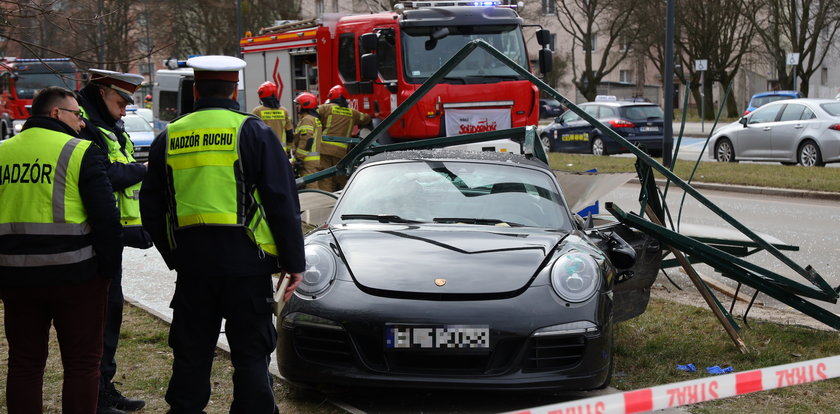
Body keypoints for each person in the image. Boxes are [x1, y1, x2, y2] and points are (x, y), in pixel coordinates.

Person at [139, 55, 305, 413]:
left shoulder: (169, 134)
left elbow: (151, 208)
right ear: (236, 90)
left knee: (191, 351)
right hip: (248, 266)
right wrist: (294, 262)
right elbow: (282, 201)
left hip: (193, 268)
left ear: (196, 89)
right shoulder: (252, 131)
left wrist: (175, 255)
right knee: (250, 354)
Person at [0, 86, 123, 413]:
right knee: (82, 364)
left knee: (24, 363)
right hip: (77, 276)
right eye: (77, 115)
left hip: (15, 277)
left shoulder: (2, 153)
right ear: (56, 114)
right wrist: (107, 273)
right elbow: (107, 220)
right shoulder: (81, 151)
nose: (82, 123)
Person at [76, 68, 149, 414]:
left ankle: (105, 386)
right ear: (102, 92)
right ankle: (97, 395)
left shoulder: (106, 127)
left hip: (113, 237)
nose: (123, 111)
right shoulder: (87, 128)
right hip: (93, 239)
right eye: (120, 102)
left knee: (111, 313)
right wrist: (142, 170)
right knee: (102, 317)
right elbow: (107, 174)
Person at [316, 84, 371, 191]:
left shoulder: (326, 108)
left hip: (324, 149)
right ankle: (344, 198)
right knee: (341, 177)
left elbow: (312, 113)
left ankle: (326, 202)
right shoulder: (352, 113)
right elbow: (366, 118)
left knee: (326, 177)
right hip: (341, 152)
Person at [251, 81, 294, 156]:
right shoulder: (284, 111)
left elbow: (251, 133)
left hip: (264, 151)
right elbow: (289, 133)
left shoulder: (257, 111)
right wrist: (288, 150)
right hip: (281, 151)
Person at [291, 91, 322, 189]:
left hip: (307, 160)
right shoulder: (313, 119)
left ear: (306, 105)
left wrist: (299, 158)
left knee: (311, 187)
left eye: (298, 105)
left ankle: (314, 204)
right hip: (312, 160)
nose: (297, 107)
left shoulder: (307, 120)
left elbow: (306, 139)